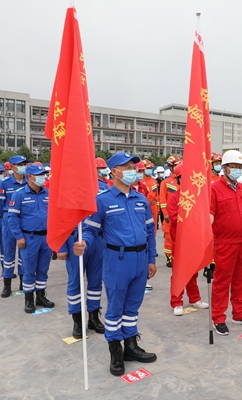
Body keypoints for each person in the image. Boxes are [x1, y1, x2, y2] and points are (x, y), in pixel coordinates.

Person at [74, 152, 158, 376]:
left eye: (134, 167)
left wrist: (151, 259)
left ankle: (130, 346)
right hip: (117, 260)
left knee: (132, 307)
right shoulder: (102, 200)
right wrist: (83, 242)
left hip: (140, 259)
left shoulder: (140, 199)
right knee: (115, 308)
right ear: (114, 171)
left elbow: (150, 231)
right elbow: (91, 230)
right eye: (127, 167)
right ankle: (115, 351)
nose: (133, 171)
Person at [56, 159, 109, 339]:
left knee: (95, 282)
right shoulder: (68, 190)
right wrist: (61, 246)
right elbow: (60, 219)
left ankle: (93, 317)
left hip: (98, 241)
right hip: (75, 241)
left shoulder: (104, 188)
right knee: (75, 283)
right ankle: (77, 320)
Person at [210, 150, 242, 335]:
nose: (237, 170)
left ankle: (239, 313)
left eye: (240, 167)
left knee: (240, 280)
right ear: (224, 168)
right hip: (225, 243)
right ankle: (218, 317)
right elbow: (210, 215)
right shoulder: (214, 189)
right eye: (234, 167)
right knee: (222, 282)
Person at [7, 164, 55, 313]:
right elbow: (12, 217)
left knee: (43, 269)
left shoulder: (48, 193)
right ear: (30, 177)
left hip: (46, 237)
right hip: (29, 238)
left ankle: (40, 296)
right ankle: (29, 299)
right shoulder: (19, 194)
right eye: (39, 175)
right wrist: (19, 236)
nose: (43, 177)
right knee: (29, 269)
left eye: (43, 174)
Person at [167, 164, 209, 315]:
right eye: (182, 178)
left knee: (193, 271)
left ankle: (194, 298)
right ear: (178, 180)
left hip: (194, 241)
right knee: (179, 273)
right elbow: (175, 218)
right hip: (179, 242)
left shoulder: (198, 197)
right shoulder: (174, 199)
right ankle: (176, 302)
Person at [0, 155, 29, 297]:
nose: (23, 167)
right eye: (20, 164)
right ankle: (7, 285)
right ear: (12, 167)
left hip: (25, 220)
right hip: (9, 219)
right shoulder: (4, 183)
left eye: (24, 164)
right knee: (9, 253)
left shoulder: (29, 181)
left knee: (24, 254)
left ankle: (24, 282)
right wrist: (7, 217)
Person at [159, 155, 181, 267]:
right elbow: (162, 199)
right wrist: (165, 213)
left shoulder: (182, 179)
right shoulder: (165, 182)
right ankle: (169, 257)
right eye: (175, 165)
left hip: (181, 214)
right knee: (168, 237)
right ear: (170, 167)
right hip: (170, 214)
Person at [141, 160, 159, 232]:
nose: (149, 170)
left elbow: (157, 196)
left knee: (153, 228)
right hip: (144, 206)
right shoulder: (139, 181)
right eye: (148, 168)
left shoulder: (154, 181)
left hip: (153, 207)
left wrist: (157, 208)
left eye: (150, 168)